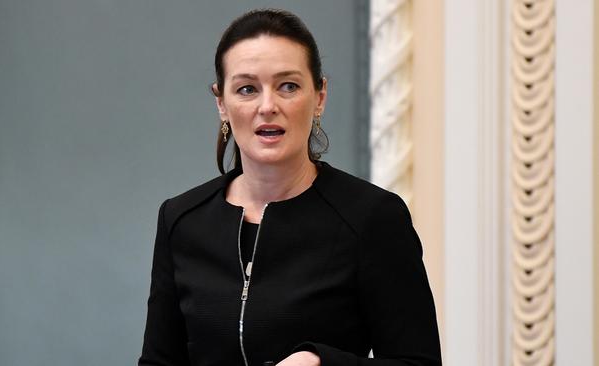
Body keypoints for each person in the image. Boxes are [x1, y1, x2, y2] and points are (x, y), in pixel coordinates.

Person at [139, 8, 441, 366]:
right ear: (222, 103)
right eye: (247, 89)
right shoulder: (181, 220)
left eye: (288, 86)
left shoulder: (372, 218)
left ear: (320, 96)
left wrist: (321, 362)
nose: (268, 106)